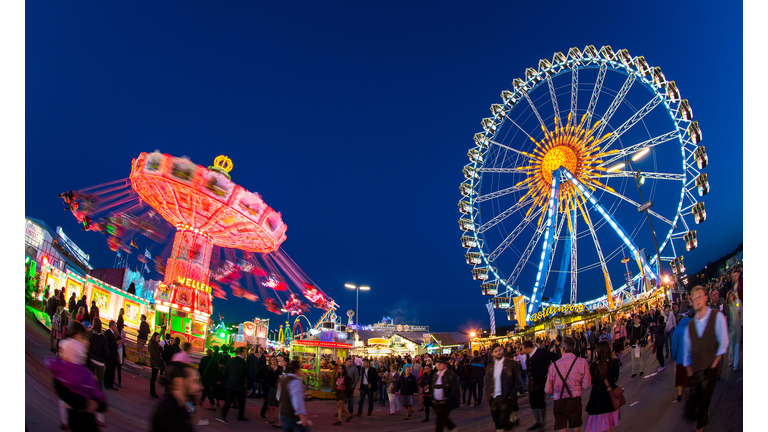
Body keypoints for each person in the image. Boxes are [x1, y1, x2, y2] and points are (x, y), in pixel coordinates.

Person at [682, 285, 729, 432]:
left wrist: (714, 364)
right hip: (696, 371)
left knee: (702, 405)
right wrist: (690, 372)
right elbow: (686, 352)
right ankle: (702, 418)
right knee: (690, 411)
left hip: (711, 369)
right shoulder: (690, 326)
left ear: (706, 298)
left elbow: (723, 342)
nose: (696, 300)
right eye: (693, 298)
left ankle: (701, 424)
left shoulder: (717, 316)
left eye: (699, 296)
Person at [47, 321, 108, 432]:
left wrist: (98, 404)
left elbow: (100, 400)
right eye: (83, 338)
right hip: (79, 422)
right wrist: (89, 403)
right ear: (75, 338)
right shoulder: (67, 367)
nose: (87, 342)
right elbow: (66, 394)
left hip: (88, 422)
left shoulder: (83, 362)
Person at [544, 337, 591, 432]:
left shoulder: (553, 366)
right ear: (573, 348)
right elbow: (586, 385)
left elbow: (548, 390)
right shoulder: (582, 362)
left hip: (559, 402)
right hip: (575, 401)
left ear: (562, 349)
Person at [150, 361, 204, 432]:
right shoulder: (169, 414)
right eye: (195, 381)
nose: (200, 387)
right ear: (180, 382)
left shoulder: (180, 407)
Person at [523, 339, 559, 431]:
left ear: (528, 348)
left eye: (522, 348)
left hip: (541, 381)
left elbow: (556, 357)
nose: (521, 350)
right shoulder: (528, 355)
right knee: (533, 403)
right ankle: (538, 422)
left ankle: (543, 422)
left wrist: (550, 371)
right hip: (532, 382)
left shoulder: (541, 352)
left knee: (540, 401)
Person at [484, 342, 521, 432]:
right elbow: (487, 382)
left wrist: (511, 395)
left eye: (500, 350)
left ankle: (510, 424)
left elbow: (518, 381)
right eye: (496, 351)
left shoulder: (511, 364)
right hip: (494, 398)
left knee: (503, 421)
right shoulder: (490, 366)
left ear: (502, 349)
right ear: (492, 354)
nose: (498, 352)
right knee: (497, 423)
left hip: (506, 397)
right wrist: (489, 395)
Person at [217, 346, 249, 424]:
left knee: (228, 401)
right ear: (242, 353)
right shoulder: (244, 363)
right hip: (239, 385)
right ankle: (240, 416)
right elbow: (247, 374)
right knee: (241, 402)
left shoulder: (230, 360)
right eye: (244, 352)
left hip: (230, 383)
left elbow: (225, 371)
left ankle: (223, 415)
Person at [279, 360, 312, 431]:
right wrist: (302, 416)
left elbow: (279, 396)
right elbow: (296, 400)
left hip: (284, 414)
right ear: (296, 370)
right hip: (293, 416)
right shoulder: (295, 382)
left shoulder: (284, 380)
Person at [432, 355, 460, 432]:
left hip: (446, 402)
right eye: (437, 363)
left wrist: (447, 401)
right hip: (437, 402)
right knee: (444, 419)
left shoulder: (451, 375)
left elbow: (454, 390)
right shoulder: (435, 375)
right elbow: (433, 388)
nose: (438, 365)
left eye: (440, 363)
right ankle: (453, 429)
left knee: (439, 422)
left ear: (445, 365)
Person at [671, 308, 692, 402]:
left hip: (681, 357)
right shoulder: (693, 324)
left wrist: (674, 356)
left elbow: (674, 346)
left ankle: (680, 394)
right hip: (692, 356)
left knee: (681, 378)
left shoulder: (678, 329)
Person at [88, 318, 109, 391]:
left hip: (91, 359)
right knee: (99, 382)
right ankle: (99, 397)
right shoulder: (103, 338)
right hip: (100, 362)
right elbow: (106, 352)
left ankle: (90, 394)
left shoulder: (90, 334)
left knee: (90, 379)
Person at [333, 360, 354, 425]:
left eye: (341, 368)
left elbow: (349, 386)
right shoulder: (337, 377)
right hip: (338, 392)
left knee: (339, 405)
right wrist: (334, 390)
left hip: (344, 392)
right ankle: (348, 415)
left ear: (344, 370)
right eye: (339, 368)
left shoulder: (347, 377)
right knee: (340, 406)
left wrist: (346, 391)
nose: (340, 369)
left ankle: (339, 420)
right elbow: (335, 384)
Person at [265, 355, 283, 425]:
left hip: (278, 387)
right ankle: (272, 418)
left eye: (275, 360)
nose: (274, 361)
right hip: (271, 387)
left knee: (279, 404)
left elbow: (281, 377)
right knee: (271, 404)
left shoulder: (280, 368)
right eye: (272, 360)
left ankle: (280, 419)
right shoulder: (269, 369)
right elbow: (268, 378)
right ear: (270, 362)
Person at [725, 290, 741, 371]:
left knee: (737, 346)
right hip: (730, 329)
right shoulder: (727, 306)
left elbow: (740, 310)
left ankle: (735, 365)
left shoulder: (737, 303)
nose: (730, 298)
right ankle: (730, 360)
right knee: (731, 348)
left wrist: (741, 323)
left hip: (737, 328)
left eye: (731, 296)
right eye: (728, 297)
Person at [103, 320, 121, 390]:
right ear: (111, 326)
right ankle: (106, 382)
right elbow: (108, 343)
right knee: (109, 369)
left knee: (113, 369)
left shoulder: (114, 334)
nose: (116, 327)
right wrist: (116, 343)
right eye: (115, 325)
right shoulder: (107, 333)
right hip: (109, 354)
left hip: (113, 355)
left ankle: (110, 384)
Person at [148, 332, 164, 398]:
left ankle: (152, 391)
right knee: (153, 378)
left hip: (156, 363)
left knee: (154, 377)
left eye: (159, 337)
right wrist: (160, 361)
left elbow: (161, 351)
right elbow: (154, 354)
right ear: (154, 337)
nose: (159, 339)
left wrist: (159, 346)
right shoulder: (152, 345)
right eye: (158, 337)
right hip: (155, 363)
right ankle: (152, 391)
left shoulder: (156, 345)